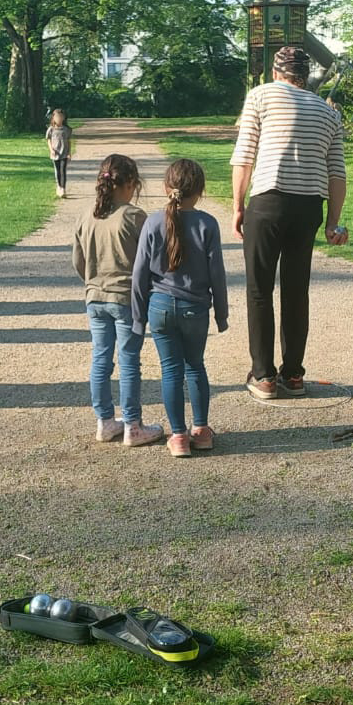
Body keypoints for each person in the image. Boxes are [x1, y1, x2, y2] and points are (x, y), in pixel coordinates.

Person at [229, 45, 347, 402]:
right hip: (309, 206)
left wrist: (237, 205)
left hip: (268, 201)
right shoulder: (328, 113)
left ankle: (264, 376)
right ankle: (293, 374)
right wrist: (333, 222)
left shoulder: (260, 96)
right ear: (304, 76)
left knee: (259, 289)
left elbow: (245, 154)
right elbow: (336, 173)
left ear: (277, 73)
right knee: (297, 292)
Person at [130, 158, 229, 458]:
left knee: (170, 369)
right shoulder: (207, 224)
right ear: (200, 190)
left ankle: (178, 435)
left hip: (159, 307)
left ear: (166, 188)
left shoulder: (152, 222)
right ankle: (201, 430)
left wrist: (138, 317)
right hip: (195, 308)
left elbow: (139, 274)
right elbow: (217, 275)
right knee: (195, 366)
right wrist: (221, 314)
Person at [71, 153, 164, 448]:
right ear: (131, 184)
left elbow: (78, 260)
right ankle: (133, 424)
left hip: (94, 297)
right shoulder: (135, 217)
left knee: (101, 358)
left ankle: (105, 421)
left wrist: (91, 280)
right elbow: (152, 260)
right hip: (125, 299)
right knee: (128, 361)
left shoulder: (87, 216)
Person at [45, 109, 72, 198]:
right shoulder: (51, 129)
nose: (59, 119)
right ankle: (59, 186)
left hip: (64, 152)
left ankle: (63, 188)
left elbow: (68, 141)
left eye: (61, 117)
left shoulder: (66, 129)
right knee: (57, 171)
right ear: (53, 118)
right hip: (55, 153)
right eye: (57, 117)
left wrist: (69, 152)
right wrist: (51, 150)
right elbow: (48, 140)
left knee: (63, 170)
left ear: (63, 118)